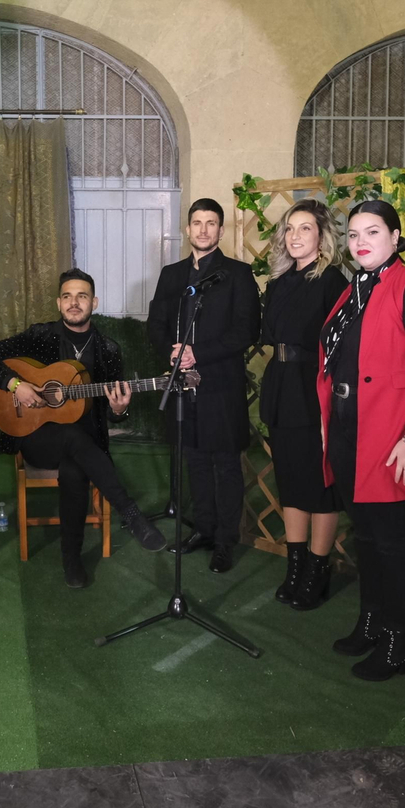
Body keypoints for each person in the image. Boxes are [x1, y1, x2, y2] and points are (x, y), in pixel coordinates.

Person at [318, 199, 405, 681]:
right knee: (367, 536)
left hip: (394, 437)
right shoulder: (355, 290)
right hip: (352, 432)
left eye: (372, 232)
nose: (361, 242)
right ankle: (371, 622)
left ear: (396, 238)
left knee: (393, 540)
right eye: (353, 235)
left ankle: (398, 642)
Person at [0, 269, 167, 589]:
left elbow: (110, 409)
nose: (74, 302)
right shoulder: (41, 336)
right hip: (34, 435)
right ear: (58, 303)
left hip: (85, 445)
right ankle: (132, 516)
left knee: (76, 467)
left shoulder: (108, 349)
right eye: (67, 296)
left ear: (94, 302)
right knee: (72, 439)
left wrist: (120, 409)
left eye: (81, 296)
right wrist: (16, 385)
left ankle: (71, 560)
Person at [147, 198, 261, 573]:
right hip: (182, 385)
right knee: (194, 459)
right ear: (188, 229)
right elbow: (156, 325)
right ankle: (203, 530)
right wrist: (173, 354)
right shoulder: (171, 274)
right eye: (197, 223)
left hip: (221, 384)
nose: (203, 230)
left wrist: (198, 354)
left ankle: (226, 541)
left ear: (220, 230)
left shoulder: (238, 274)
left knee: (225, 464)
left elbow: (246, 331)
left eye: (211, 223)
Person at [261, 199, 347, 610]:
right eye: (290, 229)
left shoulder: (333, 282)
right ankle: (294, 567)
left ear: (321, 236)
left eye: (305, 229)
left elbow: (343, 346)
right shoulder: (276, 284)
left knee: (319, 484)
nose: (295, 236)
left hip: (314, 389)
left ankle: (317, 570)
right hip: (280, 387)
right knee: (291, 480)